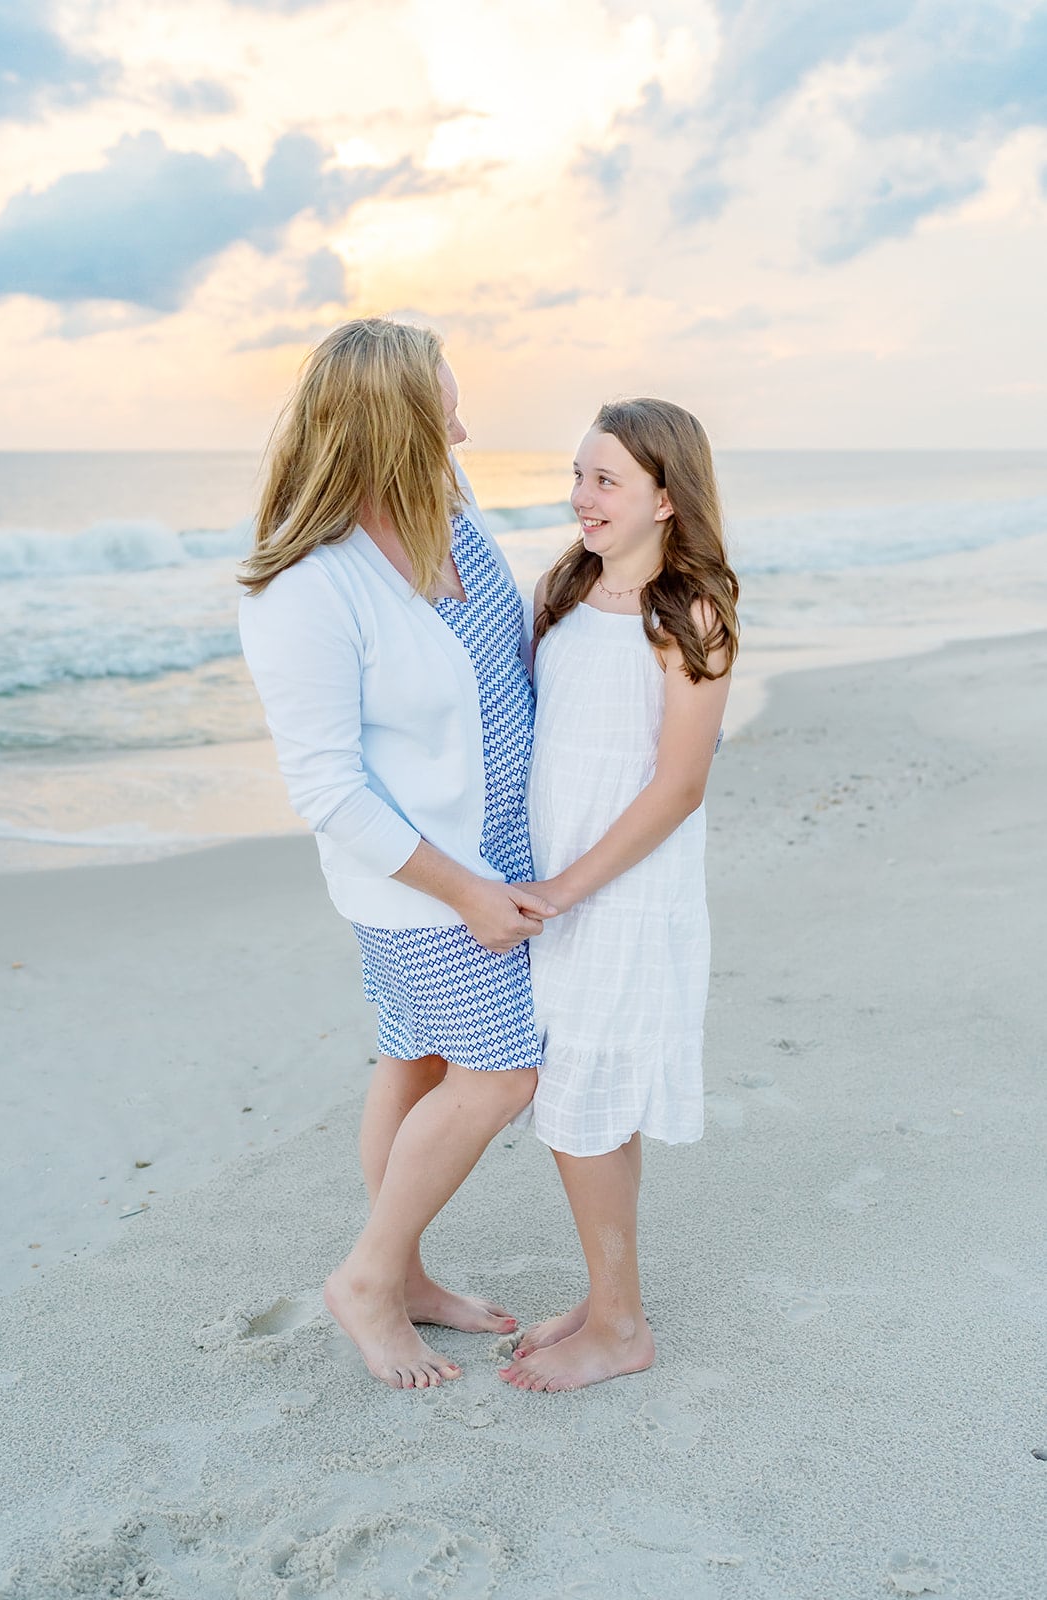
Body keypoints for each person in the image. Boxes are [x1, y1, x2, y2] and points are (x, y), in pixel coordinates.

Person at [238, 318, 556, 1391]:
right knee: (503, 1070)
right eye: (444, 411)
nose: (463, 427)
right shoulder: (307, 589)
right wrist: (466, 890)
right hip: (423, 882)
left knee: (416, 1058)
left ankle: (407, 1273)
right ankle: (369, 1278)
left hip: (497, 853)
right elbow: (327, 788)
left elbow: (505, 670)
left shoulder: (452, 525)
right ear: (390, 430)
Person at [498, 398, 739, 1392]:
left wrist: (563, 887)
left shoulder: (688, 613)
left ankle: (622, 1325)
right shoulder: (565, 586)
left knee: (581, 1098)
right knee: (591, 1095)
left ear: (665, 497)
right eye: (577, 475)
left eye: (604, 479)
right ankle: (607, 1299)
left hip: (621, 890)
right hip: (555, 881)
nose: (579, 497)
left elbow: (678, 785)